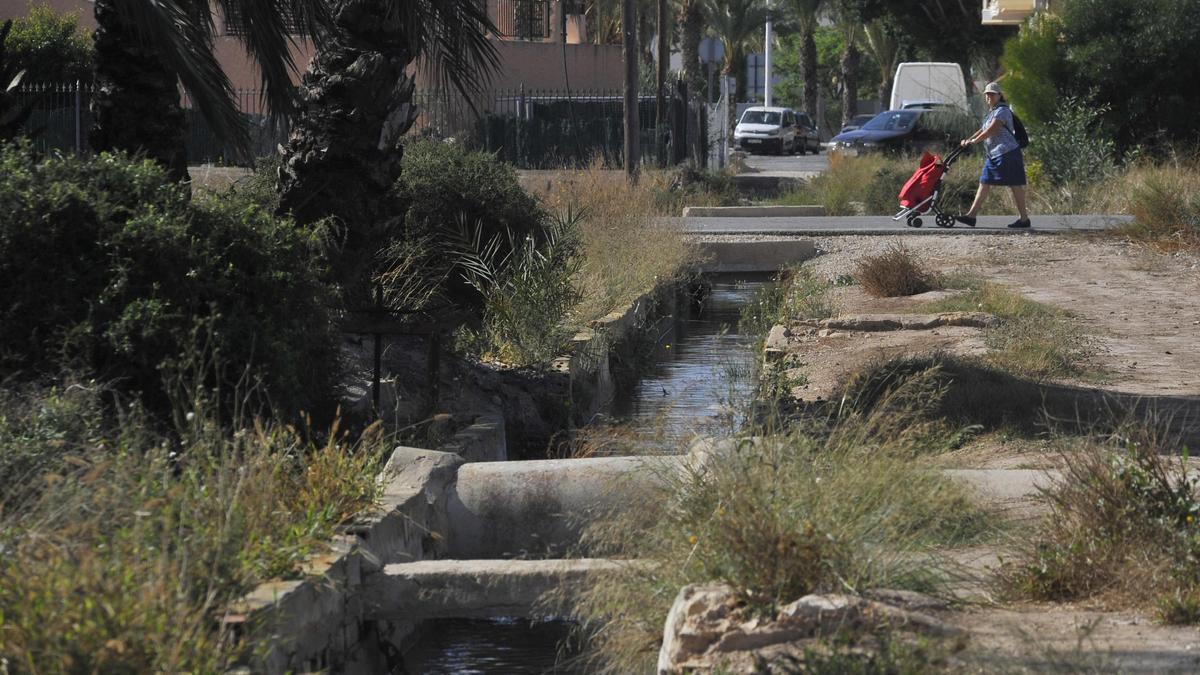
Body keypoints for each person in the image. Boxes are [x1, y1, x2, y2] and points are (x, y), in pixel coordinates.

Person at [954, 82, 1030, 229]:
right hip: (995, 154)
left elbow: (991, 130)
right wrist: (969, 140)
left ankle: (1024, 219)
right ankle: (971, 216)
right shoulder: (992, 112)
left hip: (1007, 152)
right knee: (985, 182)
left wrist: (975, 141)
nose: (989, 96)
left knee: (1015, 185)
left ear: (999, 95)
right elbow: (982, 129)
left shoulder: (1002, 111)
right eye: (987, 94)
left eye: (992, 94)